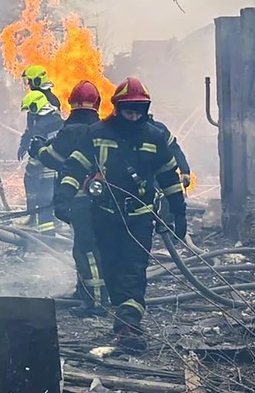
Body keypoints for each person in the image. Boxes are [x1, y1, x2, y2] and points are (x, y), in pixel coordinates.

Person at [57, 77, 187, 351]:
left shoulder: (154, 137)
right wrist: (64, 196)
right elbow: (75, 166)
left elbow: (168, 176)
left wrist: (178, 211)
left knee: (133, 271)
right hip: (104, 216)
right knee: (112, 271)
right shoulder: (97, 133)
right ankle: (123, 316)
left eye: (139, 110)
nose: (134, 115)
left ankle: (130, 327)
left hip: (139, 217)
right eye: (129, 109)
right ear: (117, 107)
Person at [29, 80, 108, 316]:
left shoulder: (70, 131)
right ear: (97, 104)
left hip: (79, 198)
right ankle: (83, 292)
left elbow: (54, 158)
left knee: (86, 250)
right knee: (90, 247)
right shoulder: (103, 129)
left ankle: (95, 302)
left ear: (71, 103)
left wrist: (38, 148)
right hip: (103, 199)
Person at [19, 90, 63, 235]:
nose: (30, 113)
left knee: (44, 201)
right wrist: (23, 145)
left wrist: (31, 169)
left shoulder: (42, 125)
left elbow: (38, 150)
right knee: (50, 199)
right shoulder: (55, 119)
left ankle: (47, 235)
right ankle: (47, 221)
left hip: (46, 168)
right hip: (58, 167)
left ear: (36, 106)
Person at [150, 118, 193, 189]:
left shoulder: (160, 128)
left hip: (167, 176)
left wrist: (184, 171)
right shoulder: (131, 132)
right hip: (146, 179)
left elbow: (174, 148)